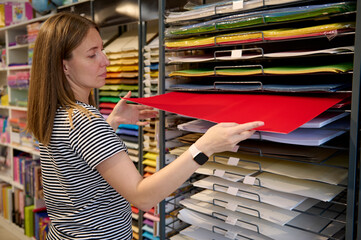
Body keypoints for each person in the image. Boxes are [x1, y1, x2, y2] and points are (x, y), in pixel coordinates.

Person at [26, 12, 264, 240]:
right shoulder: (84, 122)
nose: (105, 61)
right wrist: (204, 147)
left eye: (102, 50)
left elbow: (76, 166)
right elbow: (142, 196)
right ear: (64, 66)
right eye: (92, 55)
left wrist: (111, 123)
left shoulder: (57, 112)